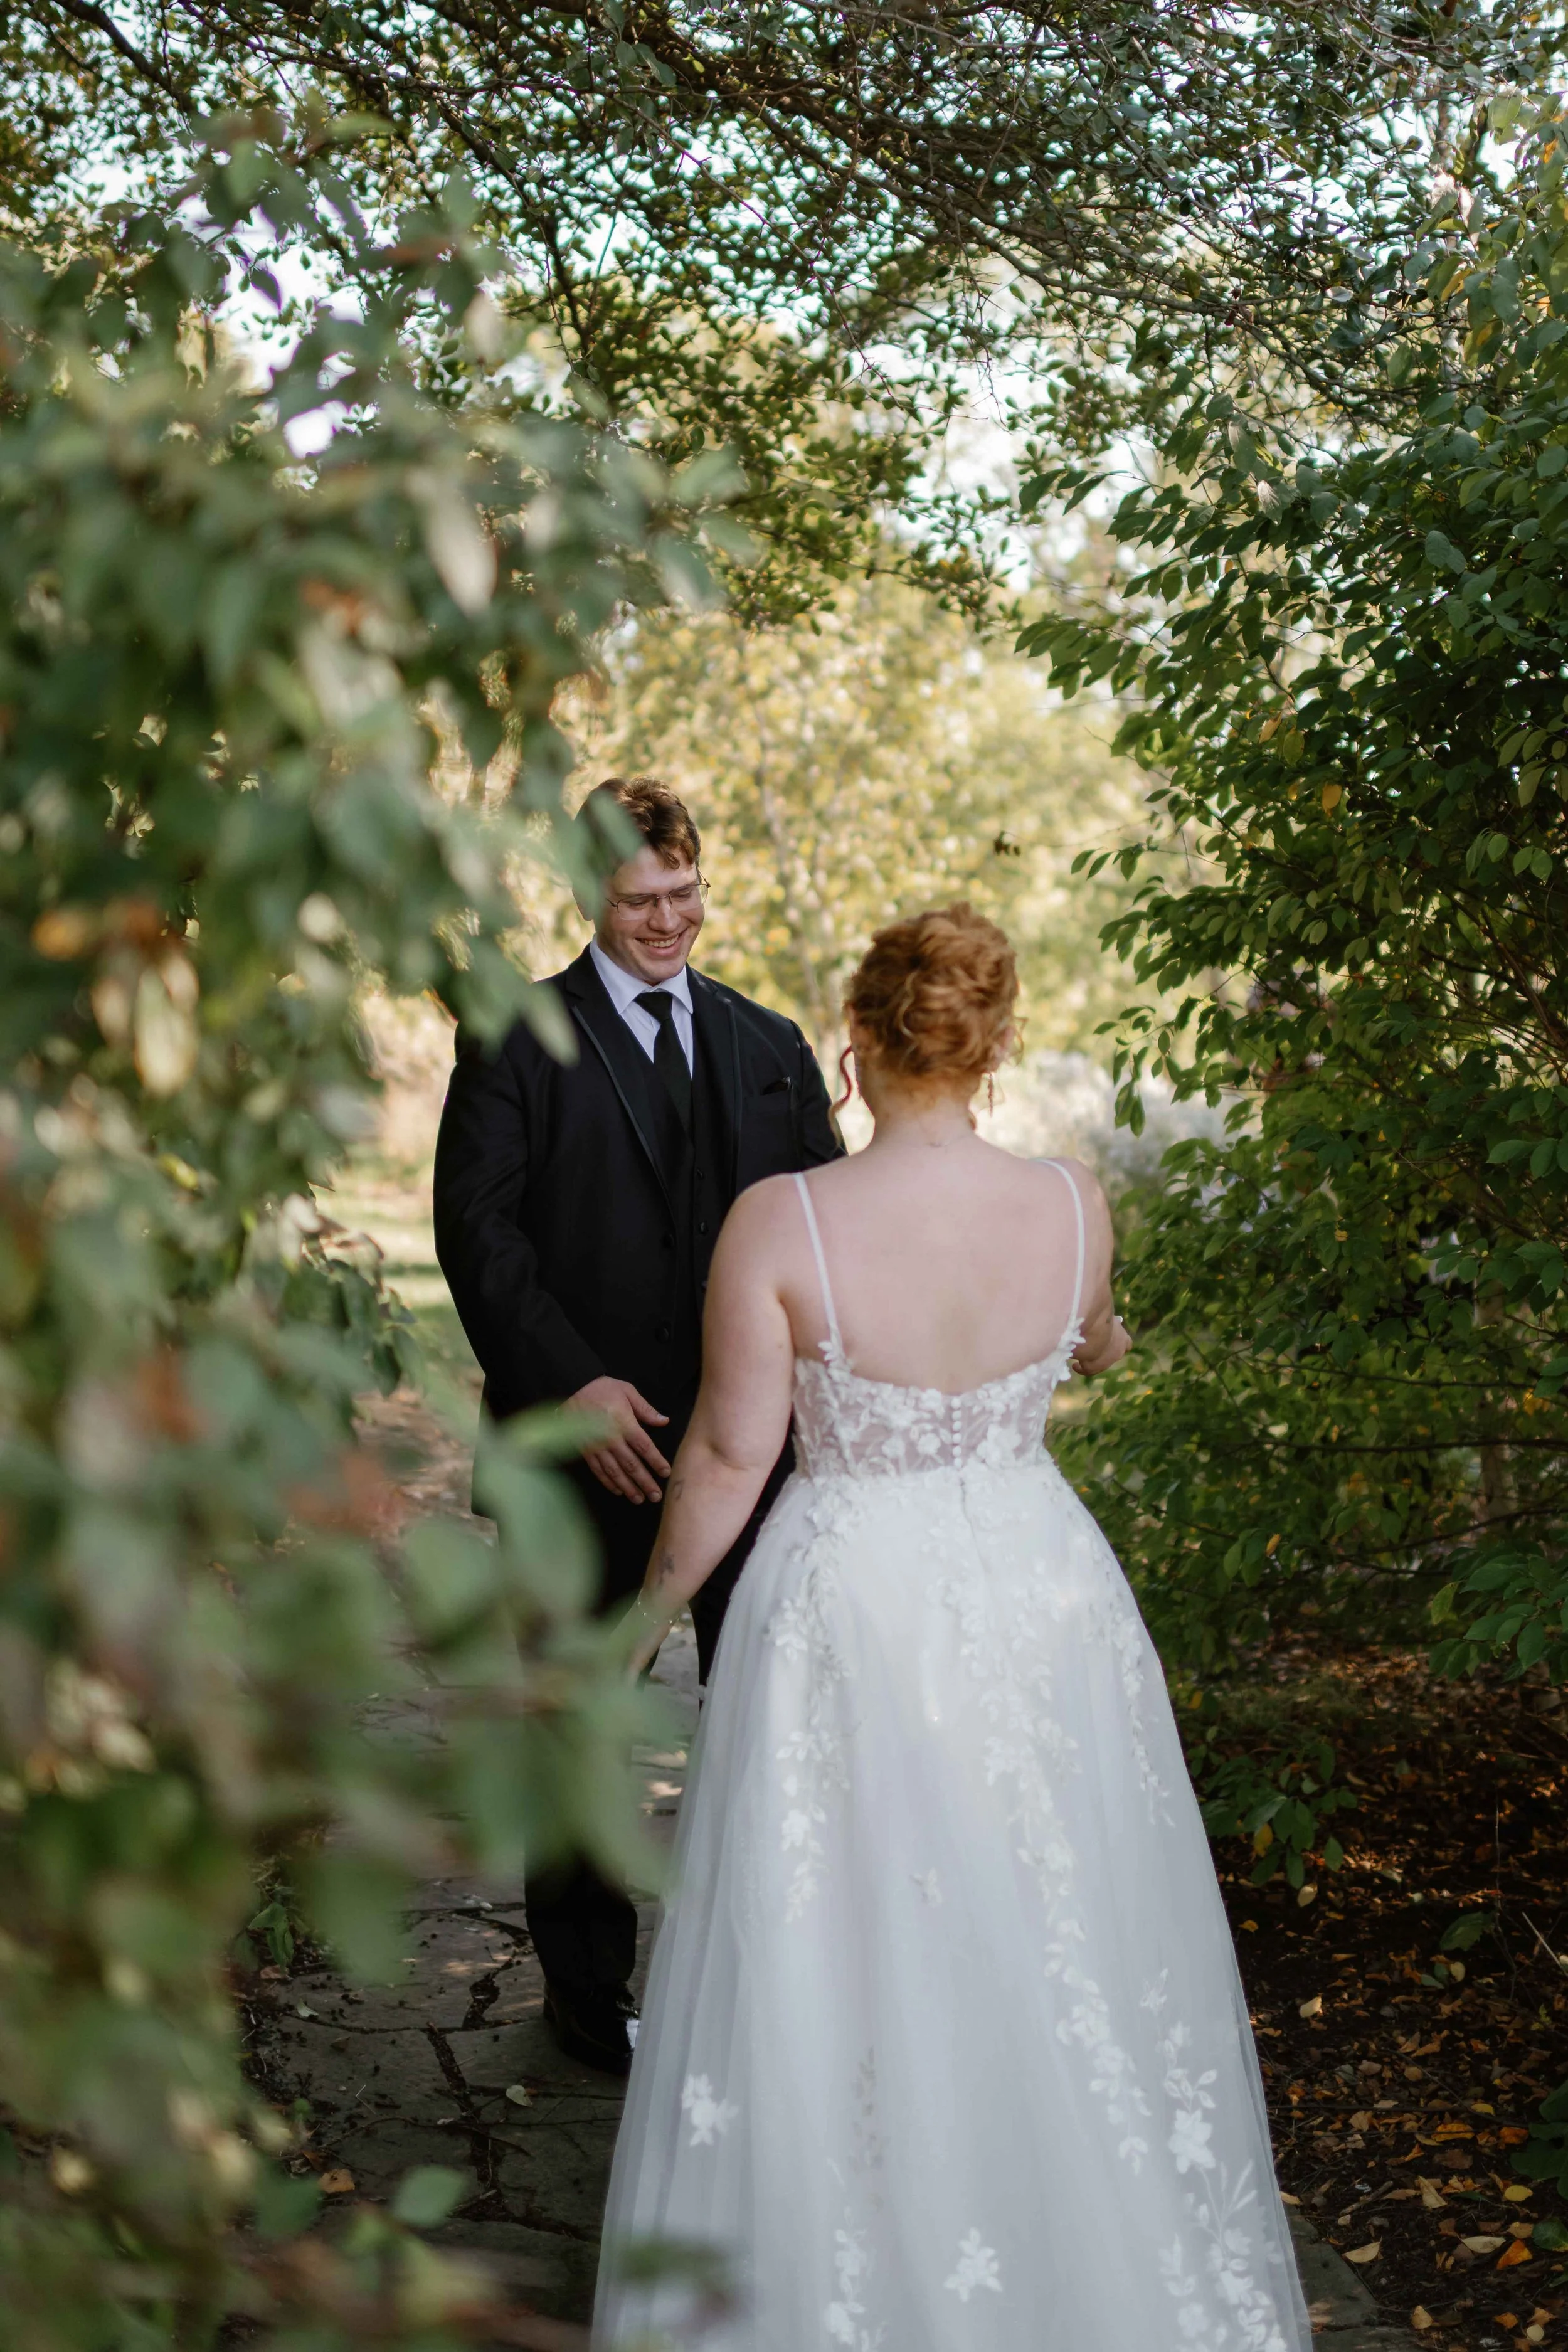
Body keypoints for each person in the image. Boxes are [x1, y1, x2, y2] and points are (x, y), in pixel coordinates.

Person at [595, 904, 1310, 2351]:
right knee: (1054, 1921)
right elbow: (1090, 1340)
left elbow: (732, 1459)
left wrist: (641, 1621)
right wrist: (1087, 1337)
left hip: (849, 1607)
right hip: (1041, 1592)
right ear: (990, 1044)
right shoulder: (1069, 1205)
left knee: (848, 1934)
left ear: (853, 1043)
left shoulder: (781, 1222)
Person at [432, 776, 840, 2076]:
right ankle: (585, 1997)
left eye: (683, 892)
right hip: (573, 1455)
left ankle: (759, 1977)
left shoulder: (766, 1042)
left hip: (749, 1454)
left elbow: (833, 1227)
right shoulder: (515, 1034)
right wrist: (573, 1385)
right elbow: (478, 1235)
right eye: (638, 900)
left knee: (765, 1711)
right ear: (586, 898)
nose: (668, 920)